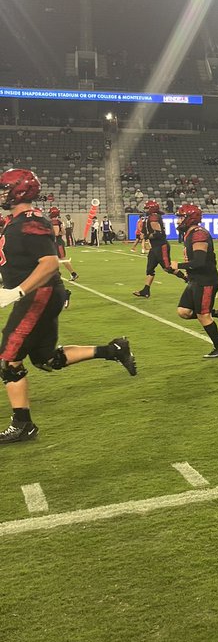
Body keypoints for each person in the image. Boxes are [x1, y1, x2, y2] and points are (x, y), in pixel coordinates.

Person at [0, 169, 136, 444]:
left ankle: (22, 424)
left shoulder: (31, 221)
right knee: (45, 359)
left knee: (8, 359)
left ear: (19, 190)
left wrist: (19, 291)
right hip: (38, 295)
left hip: (37, 295)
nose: (2, 193)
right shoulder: (16, 221)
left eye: (5, 188)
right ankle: (114, 349)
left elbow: (49, 263)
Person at [173, 203, 218, 358]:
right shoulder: (190, 233)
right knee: (183, 312)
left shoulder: (199, 234)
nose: (178, 221)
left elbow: (199, 262)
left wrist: (177, 265)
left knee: (203, 315)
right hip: (195, 279)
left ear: (189, 218)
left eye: (180, 217)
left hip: (206, 280)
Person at [133, 199, 176, 298]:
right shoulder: (150, 218)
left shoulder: (154, 217)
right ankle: (146, 290)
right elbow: (146, 232)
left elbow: (158, 233)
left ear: (152, 209)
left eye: (147, 208)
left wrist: (146, 236)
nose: (145, 210)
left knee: (167, 268)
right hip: (155, 247)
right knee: (150, 270)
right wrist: (143, 234)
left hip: (161, 246)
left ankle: (187, 278)